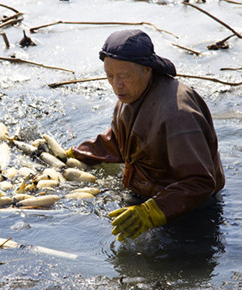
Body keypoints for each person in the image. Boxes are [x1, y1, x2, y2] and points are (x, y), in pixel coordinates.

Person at [67, 30, 225, 241]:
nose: (116, 85)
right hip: (144, 196)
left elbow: (200, 182)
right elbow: (121, 141)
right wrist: (76, 154)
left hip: (189, 211)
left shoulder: (178, 114)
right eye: (110, 76)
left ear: (147, 70)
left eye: (123, 76)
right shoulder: (131, 93)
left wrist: (151, 213)